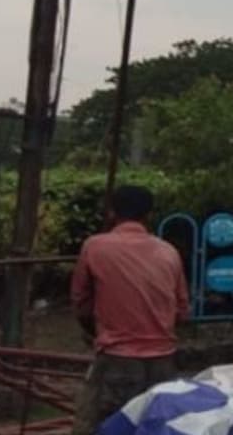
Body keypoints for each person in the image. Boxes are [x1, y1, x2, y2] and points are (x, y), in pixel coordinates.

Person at [70, 185, 190, 435]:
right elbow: (182, 311)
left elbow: (81, 303)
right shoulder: (169, 252)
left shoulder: (95, 247)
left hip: (117, 358)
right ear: (149, 214)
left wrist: (95, 331)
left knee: (100, 427)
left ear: (112, 212)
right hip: (163, 361)